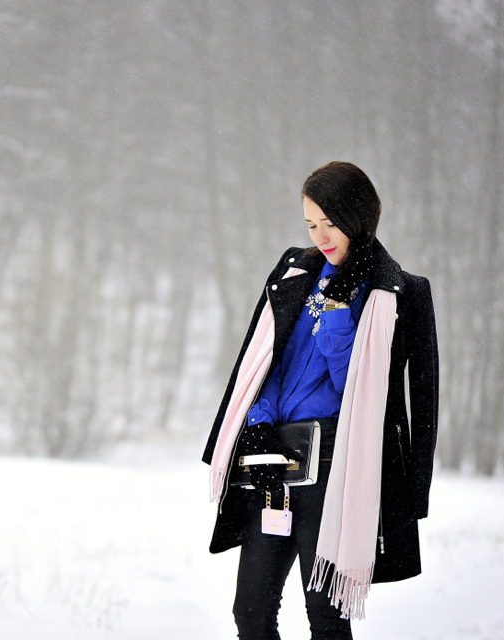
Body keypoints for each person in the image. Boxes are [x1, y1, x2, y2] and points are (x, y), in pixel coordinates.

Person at [201, 161, 439, 639]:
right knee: (250, 612)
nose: (321, 236)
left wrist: (336, 313)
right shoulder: (295, 272)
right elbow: (265, 362)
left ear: (358, 217)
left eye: (330, 223)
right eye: (311, 224)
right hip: (274, 461)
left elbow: (366, 391)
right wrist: (260, 425)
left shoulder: (396, 291)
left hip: (337, 467)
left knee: (326, 616)